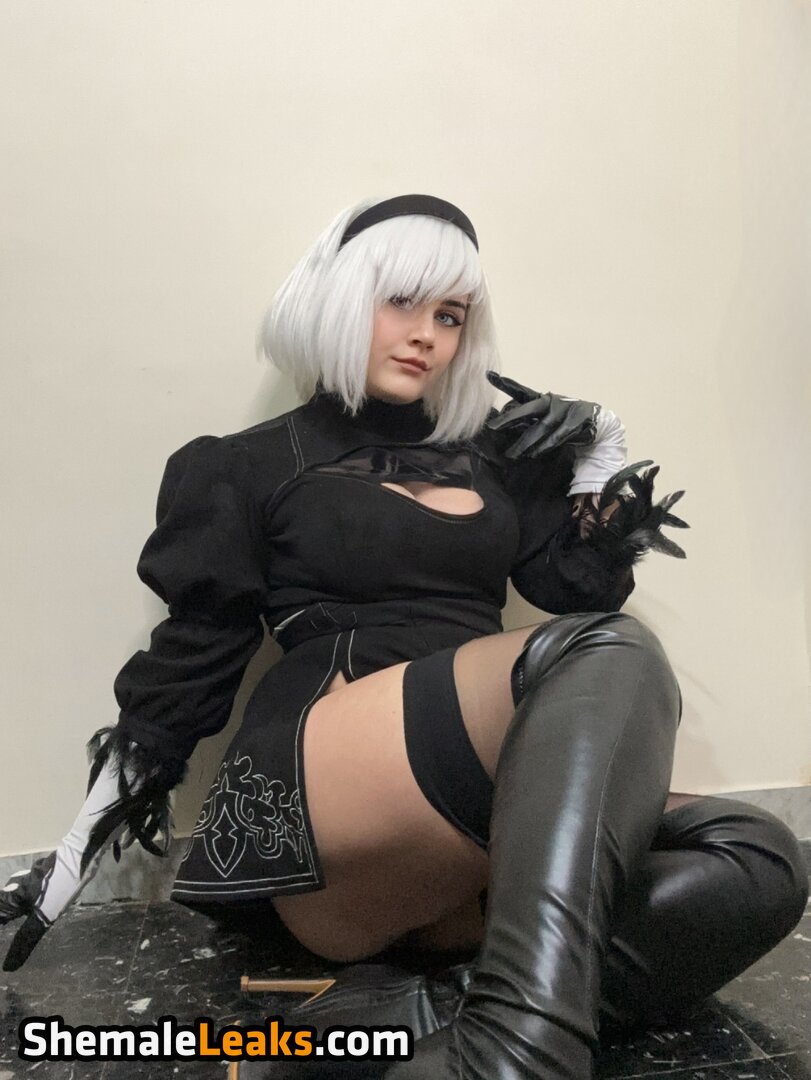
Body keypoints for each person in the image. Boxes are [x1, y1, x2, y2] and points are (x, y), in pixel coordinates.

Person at [1, 195, 806, 1079]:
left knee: (758, 855)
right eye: (400, 301)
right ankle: (514, 1055)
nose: (425, 333)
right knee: (606, 650)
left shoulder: (495, 458)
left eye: (450, 315)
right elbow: (188, 670)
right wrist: (69, 861)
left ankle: (429, 1014)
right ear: (339, 298)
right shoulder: (242, 464)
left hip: (468, 816)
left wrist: (599, 455)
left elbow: (574, 588)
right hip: (331, 782)